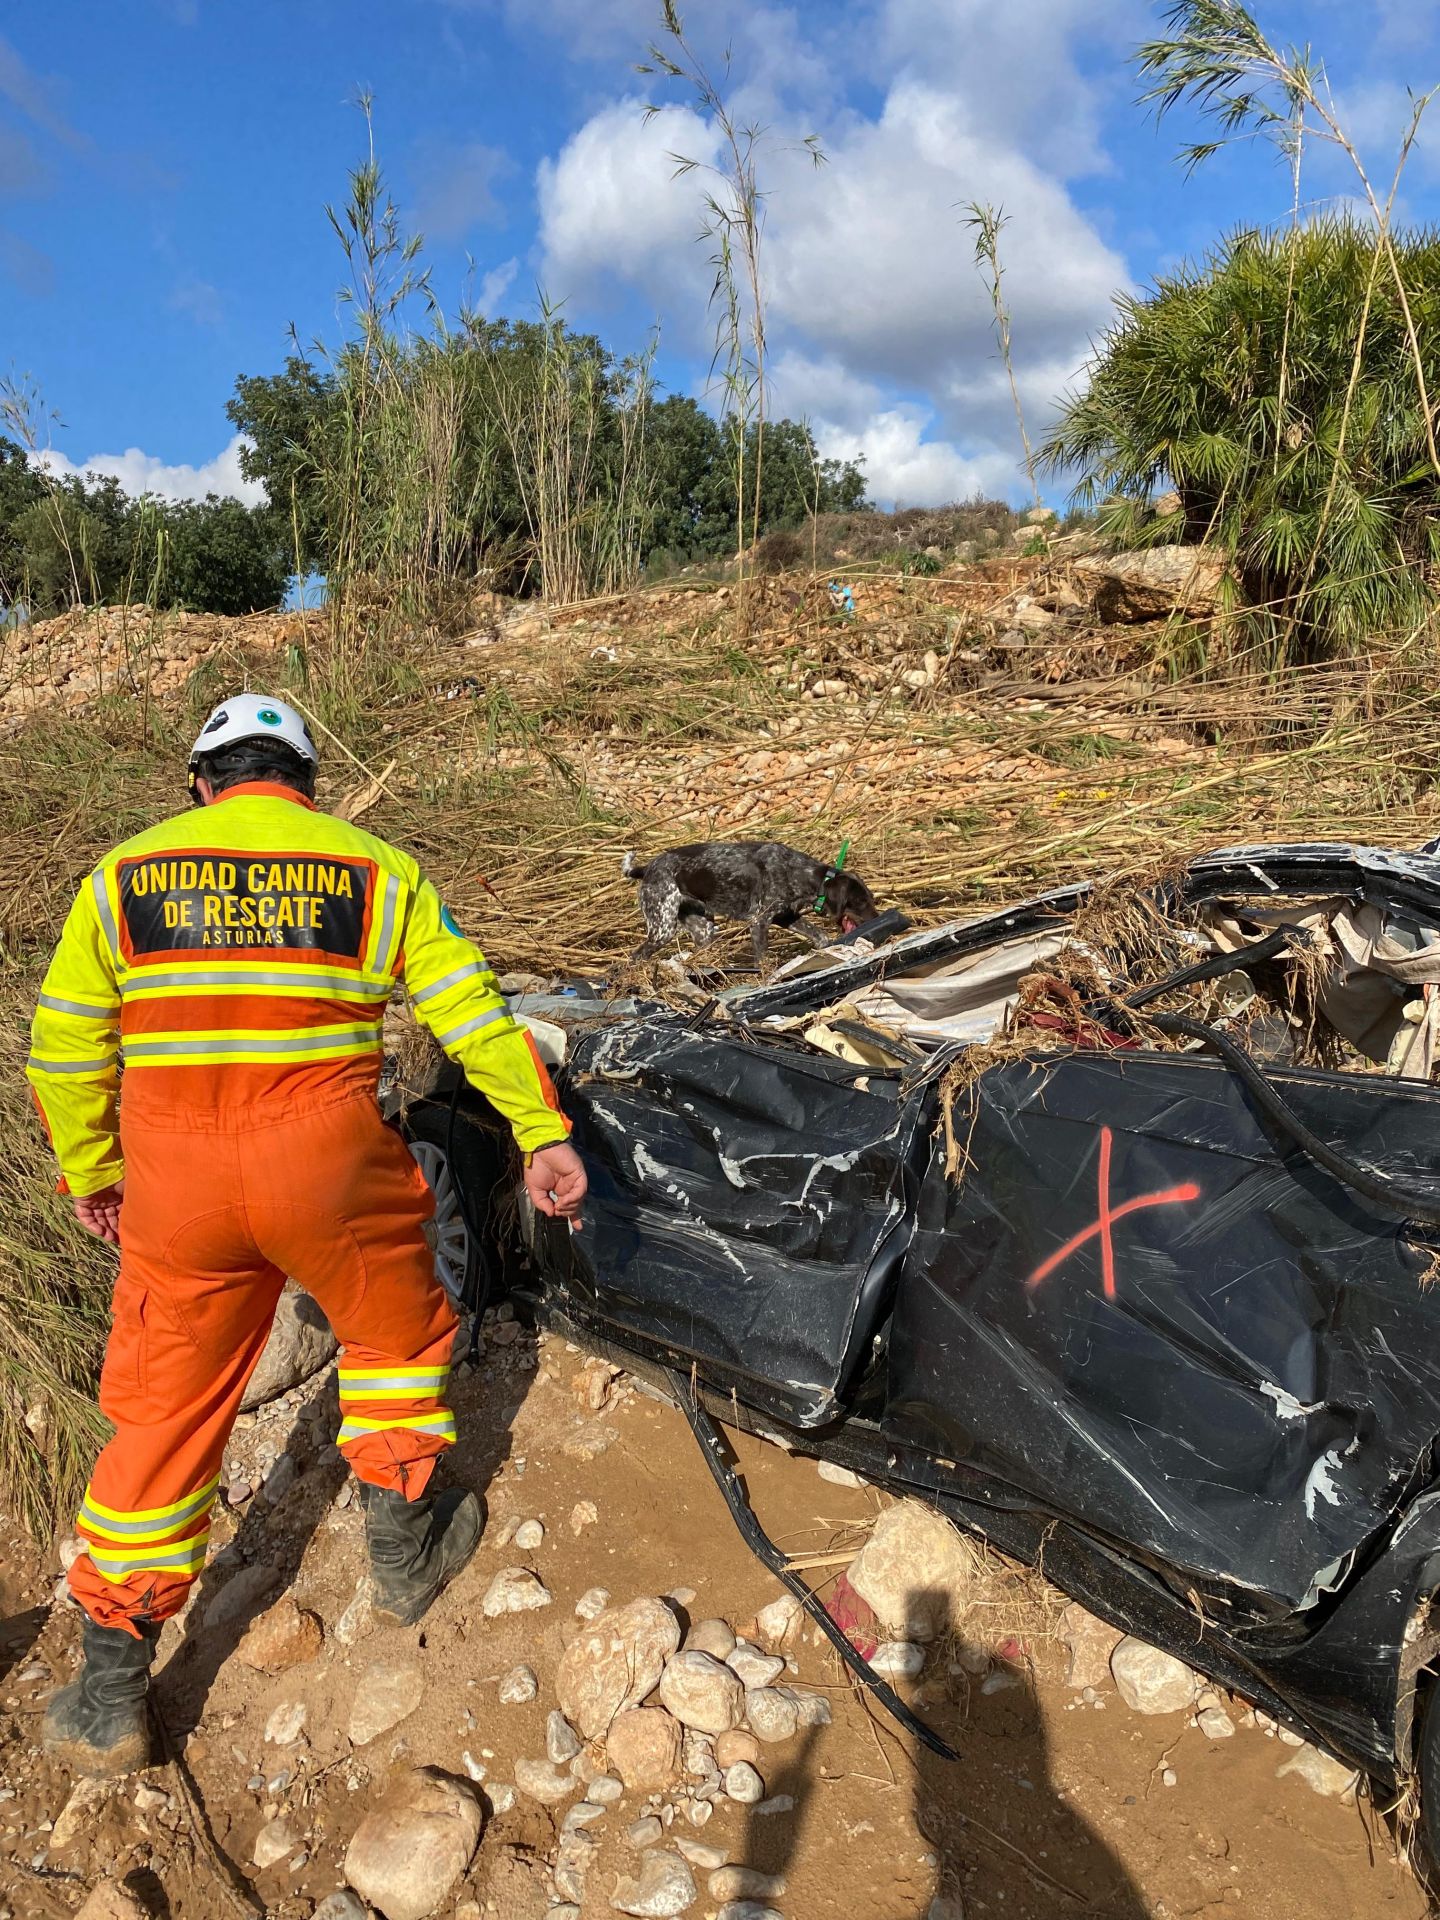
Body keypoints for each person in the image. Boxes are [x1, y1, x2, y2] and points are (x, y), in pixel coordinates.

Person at [26, 693, 587, 1775]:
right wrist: (539, 1132)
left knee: (165, 1408)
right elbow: (468, 1009)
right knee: (395, 1332)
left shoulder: (124, 875)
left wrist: (94, 1173)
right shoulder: (371, 867)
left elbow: (61, 1048)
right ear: (304, 784)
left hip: (176, 1183)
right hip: (329, 1162)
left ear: (202, 783)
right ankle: (405, 1551)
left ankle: (108, 1687)